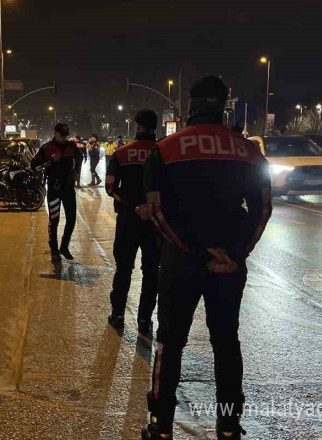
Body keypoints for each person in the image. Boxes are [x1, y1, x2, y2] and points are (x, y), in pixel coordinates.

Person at [141, 76, 273, 440]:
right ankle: (229, 426)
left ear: (191, 104)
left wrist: (192, 252)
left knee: (170, 342)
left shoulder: (165, 150)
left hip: (181, 263)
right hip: (229, 264)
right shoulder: (248, 151)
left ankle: (161, 425)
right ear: (224, 104)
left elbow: (155, 211)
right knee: (226, 342)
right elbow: (263, 209)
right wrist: (236, 253)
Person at [105, 111, 160, 338]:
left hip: (128, 219)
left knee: (124, 268)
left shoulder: (121, 153)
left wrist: (133, 206)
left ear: (137, 126)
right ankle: (145, 320)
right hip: (156, 222)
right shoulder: (163, 152)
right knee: (151, 272)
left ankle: (117, 315)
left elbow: (110, 188)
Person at [31, 123, 79, 264]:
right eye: (61, 136)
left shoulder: (72, 146)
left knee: (71, 219)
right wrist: (50, 161)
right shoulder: (46, 148)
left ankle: (64, 247)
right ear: (55, 134)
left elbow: (80, 158)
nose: (64, 138)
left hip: (68, 189)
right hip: (54, 189)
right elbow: (34, 167)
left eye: (66, 136)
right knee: (54, 220)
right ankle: (54, 251)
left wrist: (77, 172)